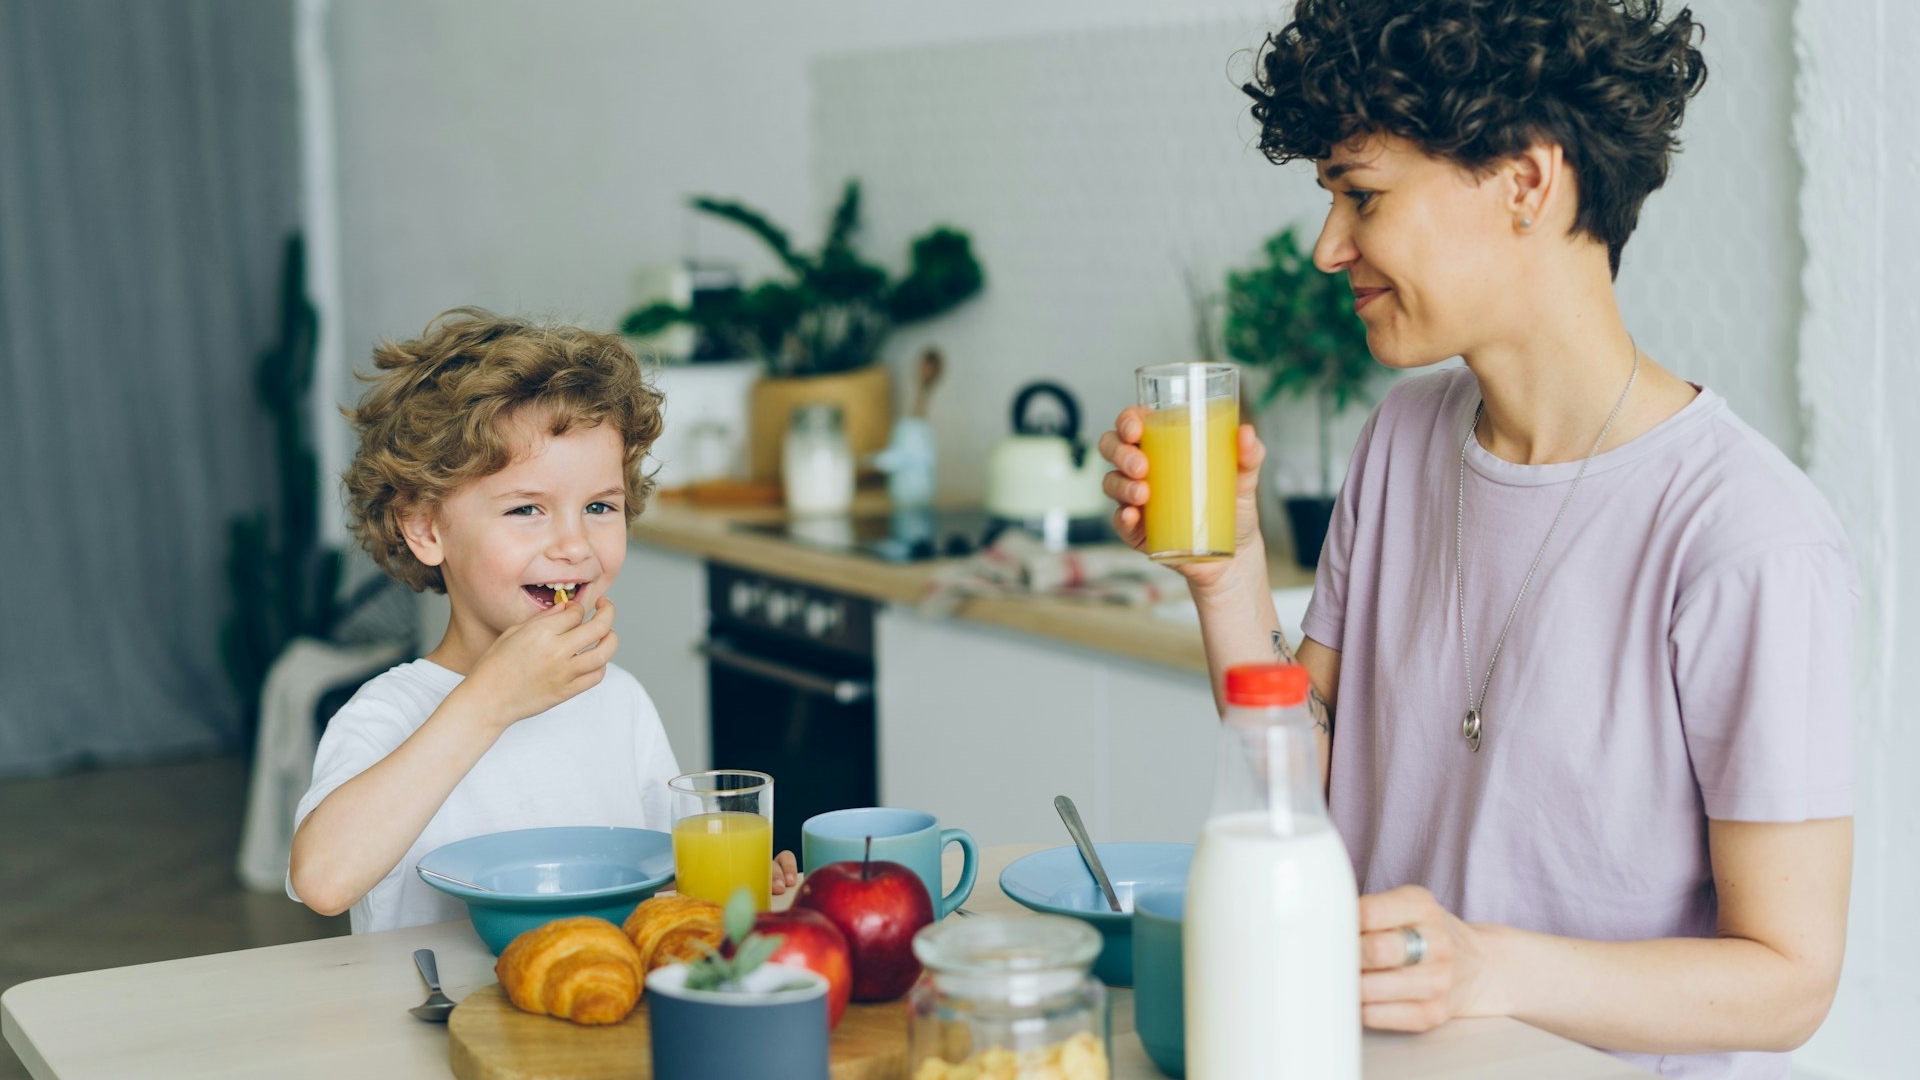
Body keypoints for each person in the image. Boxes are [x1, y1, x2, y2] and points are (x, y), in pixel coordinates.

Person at [1100, 2, 1855, 1077]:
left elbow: (1788, 982)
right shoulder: (1404, 438)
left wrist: (1485, 968)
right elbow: (1295, 785)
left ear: (1526, 184)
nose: (1327, 247)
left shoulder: (1746, 536)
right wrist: (1228, 577)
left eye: (1362, 195)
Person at [288, 309, 798, 932]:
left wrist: (737, 884)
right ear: (424, 527)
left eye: (600, 507)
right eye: (527, 509)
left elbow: (668, 887)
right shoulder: (386, 713)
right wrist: (489, 701)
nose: (575, 545)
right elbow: (324, 881)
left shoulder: (621, 702)